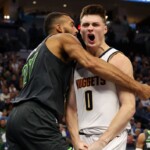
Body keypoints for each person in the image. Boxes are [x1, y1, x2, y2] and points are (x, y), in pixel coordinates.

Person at [5, 11, 150, 150]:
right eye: (72, 24)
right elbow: (91, 63)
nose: (76, 30)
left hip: (15, 118)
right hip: (36, 116)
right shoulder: (63, 37)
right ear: (59, 28)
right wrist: (138, 87)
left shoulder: (34, 54)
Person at [66, 4, 140, 150]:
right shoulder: (76, 64)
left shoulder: (117, 59)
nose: (90, 28)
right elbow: (70, 108)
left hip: (111, 137)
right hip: (83, 139)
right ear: (81, 30)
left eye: (95, 24)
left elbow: (129, 106)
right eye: (86, 25)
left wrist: (101, 142)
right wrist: (75, 141)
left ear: (105, 29)